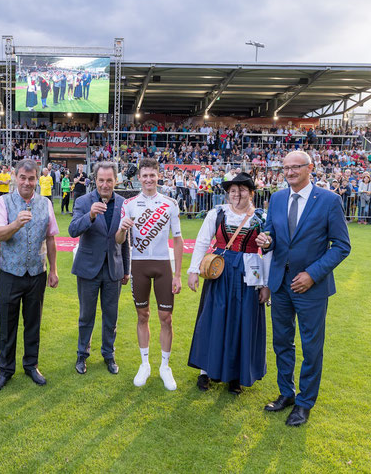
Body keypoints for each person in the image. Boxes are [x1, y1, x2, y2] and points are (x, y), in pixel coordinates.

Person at [256, 150, 350, 426]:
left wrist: (312, 274)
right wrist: (266, 241)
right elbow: (273, 235)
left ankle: (304, 403)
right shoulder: (277, 197)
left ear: (310, 168)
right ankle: (286, 393)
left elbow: (342, 246)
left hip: (311, 287)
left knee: (311, 347)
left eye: (296, 167)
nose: (290, 172)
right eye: (285, 167)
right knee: (282, 343)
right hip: (281, 284)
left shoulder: (330, 201)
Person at [187, 172, 271, 395]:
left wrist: (267, 284)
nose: (237, 194)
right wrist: (194, 271)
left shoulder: (262, 218)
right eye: (233, 190)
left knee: (243, 321)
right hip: (220, 271)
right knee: (213, 318)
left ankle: (237, 375)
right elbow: (202, 242)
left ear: (251, 193)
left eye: (242, 190)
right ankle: (206, 370)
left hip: (249, 274)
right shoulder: (218, 214)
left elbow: (270, 253)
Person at [0, 159, 59, 392]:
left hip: (37, 273)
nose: (27, 182)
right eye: (23, 177)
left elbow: (50, 238)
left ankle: (31, 365)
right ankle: (6, 369)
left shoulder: (45, 203)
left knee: (33, 323)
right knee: (7, 324)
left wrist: (54, 270)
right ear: (15, 177)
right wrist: (16, 223)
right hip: (10, 272)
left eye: (31, 178)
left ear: (38, 179)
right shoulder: (4, 201)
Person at [115, 158, 184, 391]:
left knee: (166, 318)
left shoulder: (170, 203)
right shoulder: (130, 204)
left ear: (158, 176)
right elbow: (119, 240)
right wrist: (122, 230)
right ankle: (145, 364)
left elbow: (178, 239)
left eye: (152, 175)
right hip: (140, 266)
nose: (148, 179)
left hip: (164, 265)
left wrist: (178, 275)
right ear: (139, 178)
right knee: (142, 316)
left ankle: (165, 366)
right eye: (144, 175)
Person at [69, 162, 130, 375]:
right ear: (95, 180)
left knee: (111, 316)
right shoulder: (84, 201)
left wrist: (126, 269)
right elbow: (72, 230)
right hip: (88, 269)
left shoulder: (123, 203)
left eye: (109, 180)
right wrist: (90, 216)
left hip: (114, 269)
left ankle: (108, 355)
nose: (105, 184)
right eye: (101, 180)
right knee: (86, 315)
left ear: (116, 181)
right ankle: (81, 354)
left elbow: (125, 239)